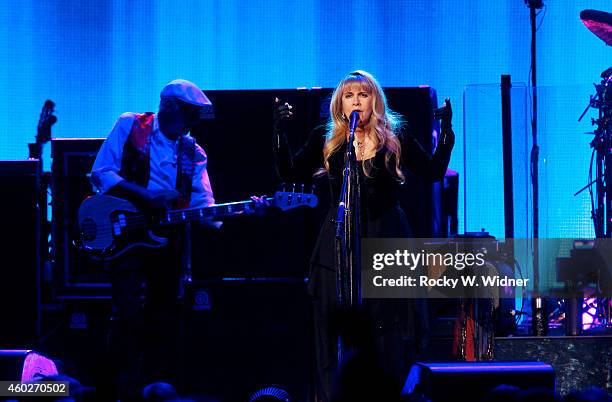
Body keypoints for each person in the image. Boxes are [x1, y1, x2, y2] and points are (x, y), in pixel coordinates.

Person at [272, 70, 454, 402]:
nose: (357, 101)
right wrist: (280, 132)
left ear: (375, 100)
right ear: (340, 104)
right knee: (333, 325)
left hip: (385, 235)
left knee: (386, 325)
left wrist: (446, 135)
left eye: (364, 94)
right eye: (349, 95)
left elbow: (432, 172)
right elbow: (290, 172)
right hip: (339, 238)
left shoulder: (394, 133)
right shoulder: (325, 137)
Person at [90, 79, 218, 400]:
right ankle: (118, 389)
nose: (191, 124)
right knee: (128, 313)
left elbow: (204, 205)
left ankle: (156, 389)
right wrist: (146, 197)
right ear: (169, 106)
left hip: (167, 241)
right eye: (188, 115)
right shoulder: (131, 125)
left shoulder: (193, 150)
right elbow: (102, 173)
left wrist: (243, 212)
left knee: (164, 315)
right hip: (127, 233)